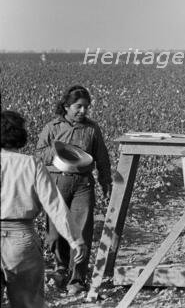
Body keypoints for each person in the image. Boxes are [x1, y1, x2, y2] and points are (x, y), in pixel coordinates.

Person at [1, 110, 87, 307]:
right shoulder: (30, 164)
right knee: (28, 303)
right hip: (20, 240)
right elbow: (55, 205)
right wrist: (76, 240)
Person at [36, 85, 112, 294]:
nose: (83, 111)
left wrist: (107, 184)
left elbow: (102, 159)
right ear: (66, 106)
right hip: (56, 182)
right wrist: (60, 148)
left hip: (83, 184)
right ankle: (60, 268)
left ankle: (77, 279)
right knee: (56, 230)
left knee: (81, 231)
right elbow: (40, 153)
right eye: (78, 107)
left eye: (86, 107)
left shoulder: (92, 129)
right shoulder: (52, 127)